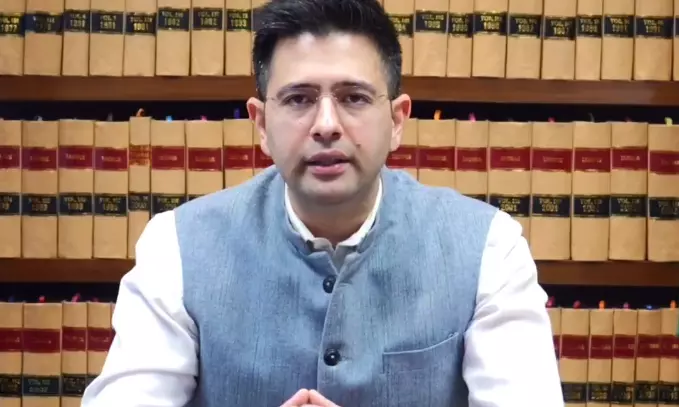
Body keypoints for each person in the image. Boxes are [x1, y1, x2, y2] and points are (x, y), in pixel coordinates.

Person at [81, 0, 564, 406]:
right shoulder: (176, 248)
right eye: (299, 99)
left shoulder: (490, 248)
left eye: (354, 98)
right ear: (261, 123)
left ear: (397, 121)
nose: (327, 125)